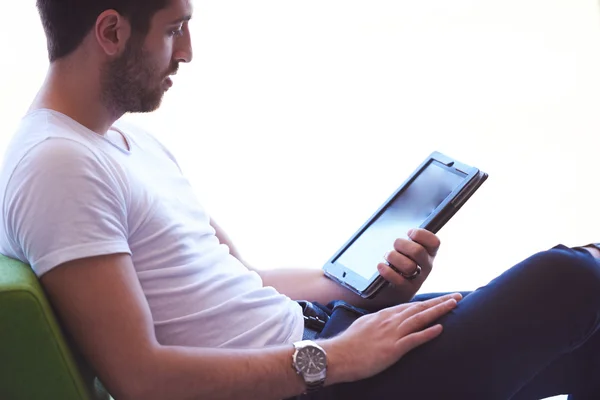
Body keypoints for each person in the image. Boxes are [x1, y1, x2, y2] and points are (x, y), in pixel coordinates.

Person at [1, 1, 600, 399]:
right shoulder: (58, 166)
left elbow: (246, 278)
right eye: (174, 28)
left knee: (584, 335)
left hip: (319, 342)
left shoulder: (125, 143)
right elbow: (141, 377)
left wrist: (362, 288)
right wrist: (335, 360)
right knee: (569, 278)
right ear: (111, 32)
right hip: (317, 382)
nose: (186, 52)